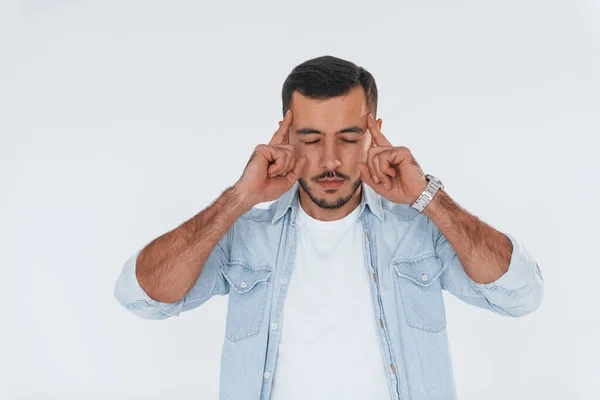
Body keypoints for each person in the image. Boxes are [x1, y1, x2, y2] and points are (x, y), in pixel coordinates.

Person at [113, 55, 544, 400]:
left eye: (350, 138)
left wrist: (427, 197)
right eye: (312, 139)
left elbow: (521, 295)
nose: (332, 160)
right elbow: (142, 298)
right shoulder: (245, 235)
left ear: (375, 133)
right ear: (285, 135)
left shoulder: (419, 230)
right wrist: (239, 198)